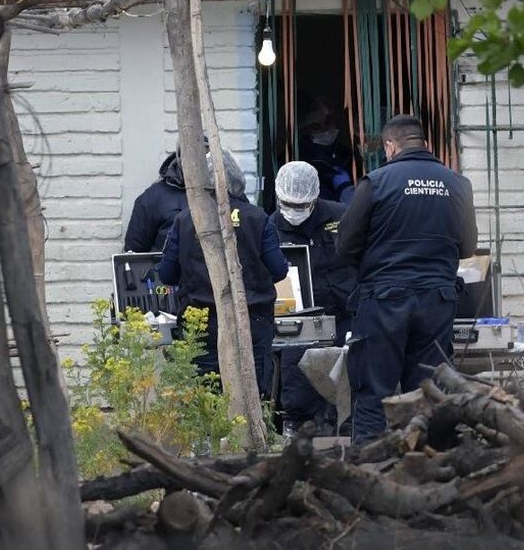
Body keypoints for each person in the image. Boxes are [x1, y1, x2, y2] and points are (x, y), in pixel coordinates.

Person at [336, 115, 477, 444]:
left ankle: (371, 473)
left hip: (383, 300)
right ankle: (432, 467)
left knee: (374, 393)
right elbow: (467, 247)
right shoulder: (457, 184)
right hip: (437, 302)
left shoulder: (377, 181)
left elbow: (345, 245)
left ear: (390, 145)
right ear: (424, 143)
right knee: (430, 391)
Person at [158, 149, 288, 395]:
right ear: (237, 180)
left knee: (205, 399)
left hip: (200, 324)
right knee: (252, 394)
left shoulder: (186, 220)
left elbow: (166, 275)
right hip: (251, 320)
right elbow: (279, 269)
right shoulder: (257, 218)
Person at [269, 161, 357, 435]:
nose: (295, 211)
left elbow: (360, 257)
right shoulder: (269, 227)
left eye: (302, 205)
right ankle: (297, 429)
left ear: (315, 198)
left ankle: (345, 429)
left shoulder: (341, 217)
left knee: (350, 374)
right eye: (289, 204)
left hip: (342, 311)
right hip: (298, 318)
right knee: (297, 379)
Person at [123, 136, 208, 253]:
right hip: (168, 268)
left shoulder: (224, 194)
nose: (197, 162)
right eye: (192, 155)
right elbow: (134, 253)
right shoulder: (153, 198)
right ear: (180, 157)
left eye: (204, 156)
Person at [298, 93, 355, 204]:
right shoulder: (298, 158)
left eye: (327, 122)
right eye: (316, 126)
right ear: (305, 129)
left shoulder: (347, 154)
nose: (324, 129)